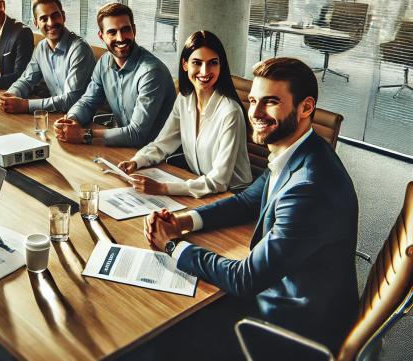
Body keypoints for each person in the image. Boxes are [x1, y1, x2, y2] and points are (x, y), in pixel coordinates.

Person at [144, 57, 358, 357]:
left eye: (270, 102)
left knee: (156, 333)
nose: (254, 113)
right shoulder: (298, 150)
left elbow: (245, 278)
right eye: (253, 100)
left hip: (289, 325)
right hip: (287, 296)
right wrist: (183, 222)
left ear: (306, 108)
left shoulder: (310, 187)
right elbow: (247, 201)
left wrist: (171, 245)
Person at [117, 31, 252, 197]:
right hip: (201, 187)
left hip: (233, 195)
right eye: (197, 62)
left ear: (221, 65)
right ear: (185, 64)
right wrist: (136, 161)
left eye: (213, 63)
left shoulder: (230, 112)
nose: (204, 71)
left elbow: (219, 181)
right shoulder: (184, 99)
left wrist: (162, 188)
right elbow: (162, 144)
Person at [53, 3, 175, 147]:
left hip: (156, 155)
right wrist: (71, 120)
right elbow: (87, 102)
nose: (121, 38)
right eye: (112, 32)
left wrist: (83, 134)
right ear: (101, 36)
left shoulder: (151, 72)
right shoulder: (104, 61)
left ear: (134, 30)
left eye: (126, 29)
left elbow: (137, 134)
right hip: (125, 150)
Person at [0, 0, 95, 114]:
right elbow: (26, 80)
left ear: (63, 16)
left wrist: (25, 105)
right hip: (57, 115)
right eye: (44, 18)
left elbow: (71, 99)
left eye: (55, 16)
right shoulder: (41, 48)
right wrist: (10, 95)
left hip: (84, 119)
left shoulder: (79, 49)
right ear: (36, 22)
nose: (51, 22)